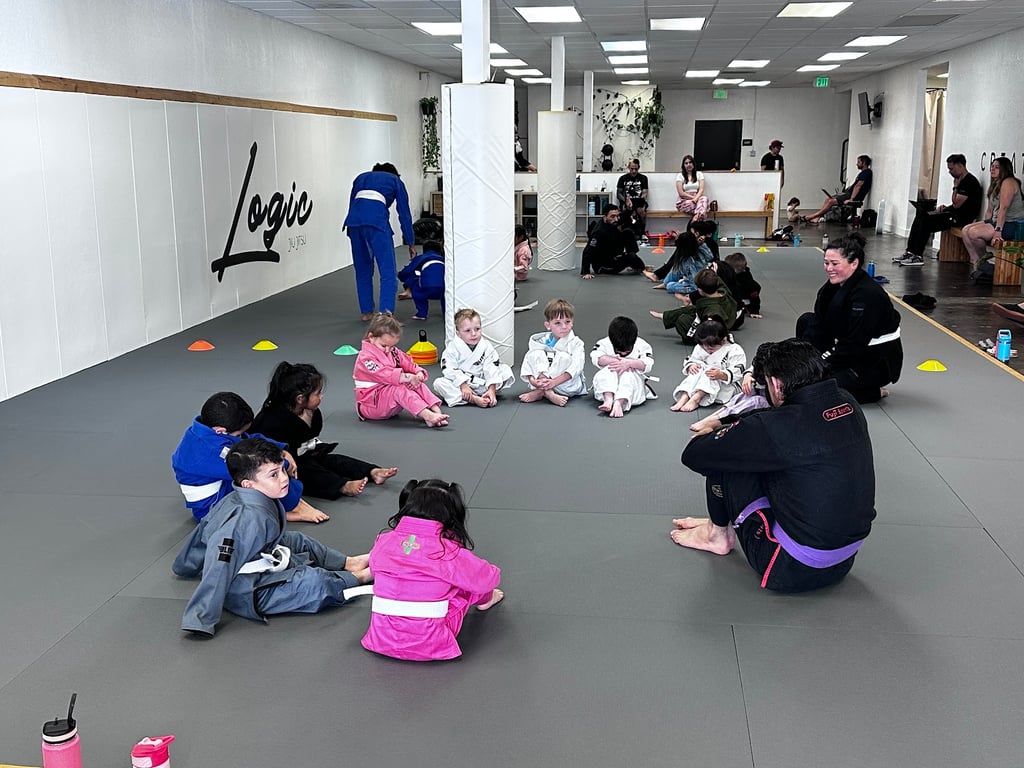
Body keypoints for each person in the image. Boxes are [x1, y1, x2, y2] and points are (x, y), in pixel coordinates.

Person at [672, 339, 876, 593]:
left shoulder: (776, 428)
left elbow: (694, 455)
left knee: (725, 456)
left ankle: (717, 535)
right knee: (773, 457)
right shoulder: (846, 402)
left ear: (777, 385)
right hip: (843, 558)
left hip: (789, 566)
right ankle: (719, 524)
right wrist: (731, 423)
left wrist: (718, 430)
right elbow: (778, 424)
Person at [172, 438, 372, 636]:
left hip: (261, 554)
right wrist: (200, 618)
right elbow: (219, 566)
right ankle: (360, 576)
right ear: (249, 484)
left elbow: (204, 529)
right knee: (313, 582)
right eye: (274, 475)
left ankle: (349, 562)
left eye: (282, 470)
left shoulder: (239, 496)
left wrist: (186, 565)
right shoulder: (240, 523)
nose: (284, 478)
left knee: (298, 540)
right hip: (248, 590)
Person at [361, 478, 503, 661]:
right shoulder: (448, 552)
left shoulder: (384, 540)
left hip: (381, 638)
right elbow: (487, 578)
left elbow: (375, 570)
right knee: (468, 581)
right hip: (430, 643)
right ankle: (486, 600)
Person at [172, 391, 328, 524]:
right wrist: (282, 464)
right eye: (238, 433)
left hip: (222, 484)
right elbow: (248, 467)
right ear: (220, 431)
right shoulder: (210, 451)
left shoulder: (209, 427)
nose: (241, 435)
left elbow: (249, 439)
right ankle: (290, 508)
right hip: (212, 509)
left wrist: (280, 450)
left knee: (272, 468)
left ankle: (289, 504)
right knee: (266, 474)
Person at [250, 362, 398, 500]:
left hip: (304, 454)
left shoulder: (310, 412)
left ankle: (372, 472)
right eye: (318, 393)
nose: (322, 396)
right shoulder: (272, 420)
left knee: (336, 461)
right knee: (310, 473)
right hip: (280, 464)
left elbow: (311, 435)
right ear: (300, 399)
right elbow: (262, 451)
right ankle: (342, 486)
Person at [796, 232, 902, 404]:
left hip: (873, 362)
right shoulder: (835, 285)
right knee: (807, 321)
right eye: (826, 263)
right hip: (850, 350)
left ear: (854, 264)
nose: (829, 268)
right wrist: (800, 363)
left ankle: (871, 391)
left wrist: (819, 366)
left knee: (815, 388)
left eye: (834, 264)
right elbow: (821, 320)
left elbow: (854, 345)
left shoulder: (867, 295)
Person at [342, 162, 416, 320]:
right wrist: (410, 241)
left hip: (354, 223)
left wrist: (351, 230)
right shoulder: (395, 180)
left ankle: (366, 312)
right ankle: (385, 314)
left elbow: (352, 204)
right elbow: (404, 214)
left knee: (362, 270)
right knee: (387, 271)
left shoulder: (360, 178)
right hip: (377, 222)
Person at [353, 313, 449, 427]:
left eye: (392, 346)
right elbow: (383, 374)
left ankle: (436, 411)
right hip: (372, 406)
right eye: (384, 346)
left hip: (389, 402)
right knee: (399, 388)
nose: (388, 350)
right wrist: (408, 377)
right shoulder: (365, 358)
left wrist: (418, 373)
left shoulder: (392, 352)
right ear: (371, 337)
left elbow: (408, 362)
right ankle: (428, 416)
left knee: (417, 384)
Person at [897, 153, 983, 266]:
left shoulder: (969, 182)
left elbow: (957, 204)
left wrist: (955, 187)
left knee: (926, 221)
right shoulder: (961, 180)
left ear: (960, 166)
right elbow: (956, 204)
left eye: (952, 169)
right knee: (921, 215)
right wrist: (946, 208)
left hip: (961, 218)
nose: (950, 172)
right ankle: (910, 252)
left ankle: (918, 255)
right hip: (954, 214)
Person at [434, 308, 515, 408]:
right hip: (462, 385)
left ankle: (489, 393)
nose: (473, 334)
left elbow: (491, 367)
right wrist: (463, 384)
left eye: (477, 329)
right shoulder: (452, 348)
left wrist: (492, 388)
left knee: (505, 369)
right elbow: (449, 369)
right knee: (439, 383)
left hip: (483, 383)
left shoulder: (486, 346)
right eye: (467, 331)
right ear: (458, 333)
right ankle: (473, 398)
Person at [688, 343, 772, 434]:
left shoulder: (777, 374)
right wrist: (748, 375)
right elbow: (752, 368)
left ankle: (718, 419)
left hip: (776, 405)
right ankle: (713, 417)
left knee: (756, 401)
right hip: (768, 392)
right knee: (746, 394)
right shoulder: (769, 361)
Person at [519, 298, 587, 406]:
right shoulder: (541, 341)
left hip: (566, 385)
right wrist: (533, 381)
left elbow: (576, 367)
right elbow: (530, 362)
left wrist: (554, 382)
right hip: (541, 382)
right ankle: (547, 392)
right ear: (548, 325)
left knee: (563, 357)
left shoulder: (577, 343)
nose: (564, 327)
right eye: (558, 323)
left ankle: (542, 392)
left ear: (572, 322)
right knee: (534, 354)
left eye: (567, 322)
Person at [669, 318, 747, 413]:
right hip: (699, 383)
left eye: (711, 348)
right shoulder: (700, 347)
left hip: (725, 387)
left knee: (710, 370)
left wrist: (721, 375)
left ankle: (696, 399)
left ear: (724, 340)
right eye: (704, 346)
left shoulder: (734, 349)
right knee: (697, 368)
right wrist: (691, 365)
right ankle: (685, 396)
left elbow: (738, 371)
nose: (707, 349)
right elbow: (692, 359)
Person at [962, 156, 1024, 270]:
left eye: (997, 167)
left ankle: (983, 260)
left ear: (1004, 169)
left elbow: (1003, 208)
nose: (992, 169)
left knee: (974, 233)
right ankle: (976, 262)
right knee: (966, 230)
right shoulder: (995, 184)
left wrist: (998, 231)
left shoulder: (1009, 182)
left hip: (1011, 224)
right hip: (996, 220)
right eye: (992, 166)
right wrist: (984, 223)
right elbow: (989, 210)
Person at [650, 267, 737, 344]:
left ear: (700, 290)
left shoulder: (712, 311)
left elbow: (714, 327)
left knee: (682, 320)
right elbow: (719, 282)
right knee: (691, 309)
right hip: (723, 315)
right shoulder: (723, 291)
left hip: (712, 330)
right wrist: (714, 273)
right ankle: (666, 316)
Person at [590, 316, 655, 418]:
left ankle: (619, 402)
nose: (623, 354)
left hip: (632, 380)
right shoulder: (604, 343)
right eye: (619, 351)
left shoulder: (642, 345)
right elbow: (595, 357)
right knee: (608, 371)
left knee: (627, 375)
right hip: (610, 378)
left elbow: (648, 364)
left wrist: (630, 363)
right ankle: (608, 399)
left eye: (627, 351)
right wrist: (614, 361)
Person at [579, 205, 647, 278]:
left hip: (612, 255)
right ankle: (642, 269)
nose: (616, 219)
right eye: (612, 216)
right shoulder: (599, 232)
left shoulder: (612, 221)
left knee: (627, 233)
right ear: (605, 217)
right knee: (631, 257)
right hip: (603, 265)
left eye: (617, 216)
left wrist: (629, 208)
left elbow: (624, 216)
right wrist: (586, 272)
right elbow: (587, 251)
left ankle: (636, 265)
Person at [643, 220, 717, 285]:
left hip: (702, 269)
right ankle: (660, 276)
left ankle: (659, 276)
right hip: (698, 268)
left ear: (697, 233)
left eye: (692, 233)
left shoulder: (704, 243)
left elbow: (710, 258)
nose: (690, 234)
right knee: (680, 253)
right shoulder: (698, 241)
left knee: (680, 256)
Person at [805, 155, 873, 224]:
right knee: (828, 200)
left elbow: (858, 186)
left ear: (864, 163)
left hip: (852, 196)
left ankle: (812, 216)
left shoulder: (866, 172)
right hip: (849, 194)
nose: (856, 164)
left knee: (830, 202)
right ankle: (817, 217)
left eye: (859, 162)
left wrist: (851, 199)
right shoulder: (863, 173)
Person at [397, 239, 445, 320]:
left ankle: (421, 314)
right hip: (443, 288)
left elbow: (407, 271)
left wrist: (401, 277)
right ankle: (446, 312)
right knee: (445, 295)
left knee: (416, 280)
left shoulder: (421, 258)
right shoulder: (444, 259)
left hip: (426, 287)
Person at [723, 252, 762, 318]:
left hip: (746, 296)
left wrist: (755, 311)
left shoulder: (748, 281)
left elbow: (755, 296)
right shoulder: (729, 274)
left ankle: (746, 306)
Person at [616, 159, 649, 237]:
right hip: (626, 202)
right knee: (625, 211)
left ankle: (642, 233)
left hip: (639, 202)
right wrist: (626, 200)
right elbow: (618, 194)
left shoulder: (643, 178)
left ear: (639, 167)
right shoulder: (622, 178)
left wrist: (641, 200)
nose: (634, 171)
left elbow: (645, 192)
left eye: (636, 169)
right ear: (628, 167)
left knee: (641, 211)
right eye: (632, 169)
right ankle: (623, 233)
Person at [675, 155, 710, 221]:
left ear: (693, 164)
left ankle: (695, 218)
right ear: (683, 165)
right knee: (702, 205)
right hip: (685, 200)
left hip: (697, 198)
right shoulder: (680, 175)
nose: (688, 165)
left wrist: (696, 198)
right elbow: (681, 193)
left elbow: (701, 189)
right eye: (686, 163)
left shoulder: (699, 174)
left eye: (690, 162)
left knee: (704, 199)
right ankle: (698, 217)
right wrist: (694, 198)